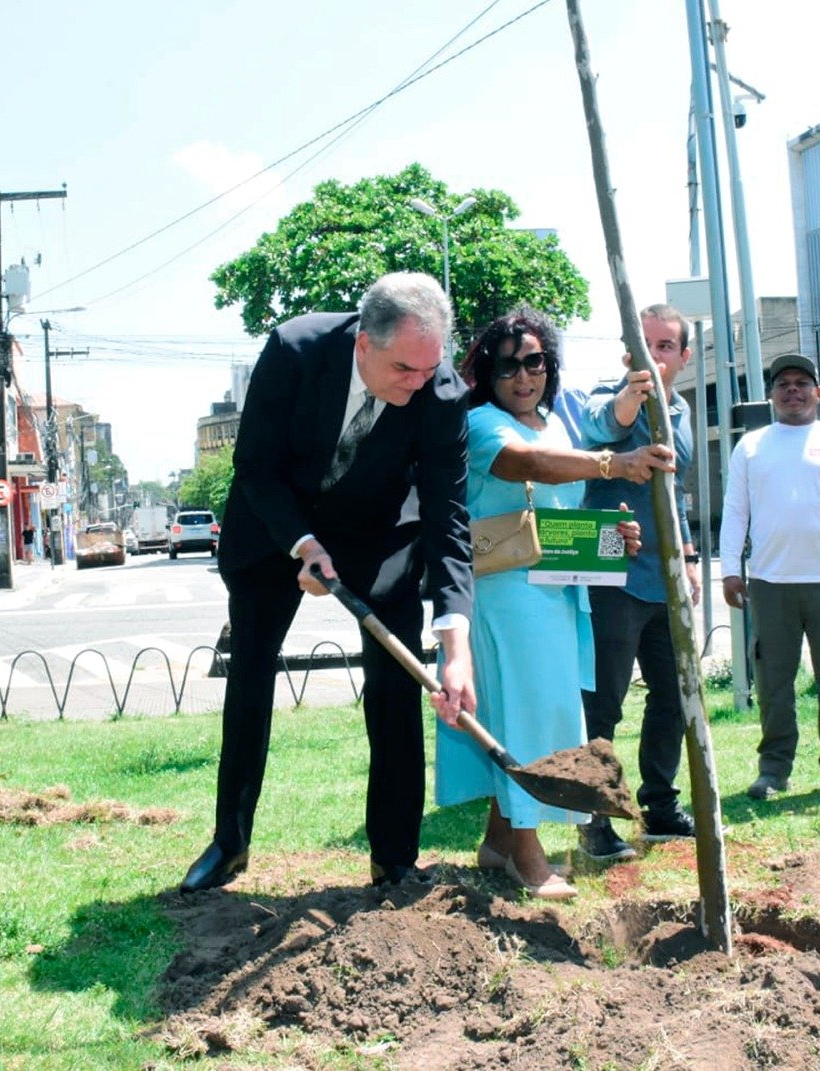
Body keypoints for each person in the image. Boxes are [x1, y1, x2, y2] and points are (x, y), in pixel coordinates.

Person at [179, 273, 477, 893]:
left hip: (376, 531)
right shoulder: (294, 350)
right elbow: (255, 466)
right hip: (274, 525)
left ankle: (394, 857)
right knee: (252, 673)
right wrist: (303, 543)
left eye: (429, 369)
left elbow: (449, 517)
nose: (418, 384)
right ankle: (229, 842)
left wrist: (456, 645)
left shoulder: (442, 393)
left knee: (396, 681)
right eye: (404, 369)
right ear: (364, 344)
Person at [435, 310, 672, 900]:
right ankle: (526, 854)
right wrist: (614, 463)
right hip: (506, 595)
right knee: (525, 717)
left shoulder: (555, 425)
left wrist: (612, 539)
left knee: (536, 711)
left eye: (534, 361)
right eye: (509, 364)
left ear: (550, 366)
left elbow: (558, 514)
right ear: (487, 371)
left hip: (558, 592)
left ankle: (496, 842)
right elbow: (527, 467)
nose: (523, 375)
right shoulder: (483, 423)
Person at [719, 353, 820, 802]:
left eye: (801, 383)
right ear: (770, 395)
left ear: (818, 392)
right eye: (783, 384)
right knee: (773, 685)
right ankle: (773, 770)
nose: (792, 390)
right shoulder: (750, 446)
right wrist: (731, 569)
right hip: (771, 584)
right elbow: (736, 512)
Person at [576, 304, 702, 862]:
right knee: (604, 701)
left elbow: (676, 496)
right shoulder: (606, 395)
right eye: (643, 345)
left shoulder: (684, 411)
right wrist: (633, 393)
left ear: (684, 355)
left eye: (666, 346)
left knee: (673, 696)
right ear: (628, 352)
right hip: (613, 574)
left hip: (666, 579)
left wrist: (691, 557)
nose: (654, 355)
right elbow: (608, 423)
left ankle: (660, 805)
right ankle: (596, 816)